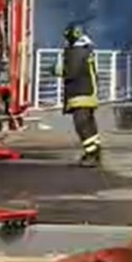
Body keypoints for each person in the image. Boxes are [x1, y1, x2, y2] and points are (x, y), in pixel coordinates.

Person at [55, 25, 101, 167]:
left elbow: (69, 72)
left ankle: (91, 155)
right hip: (89, 93)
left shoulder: (75, 52)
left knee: (82, 125)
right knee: (89, 125)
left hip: (80, 93)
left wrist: (55, 68)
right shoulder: (87, 50)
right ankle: (94, 152)